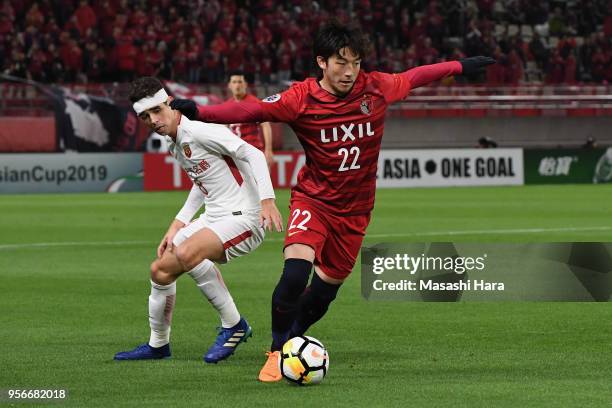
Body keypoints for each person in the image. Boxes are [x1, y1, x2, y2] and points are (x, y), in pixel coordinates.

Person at [171, 21, 495, 381]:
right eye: (341, 62)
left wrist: (459, 66)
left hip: (356, 212)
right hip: (315, 201)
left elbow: (415, 76)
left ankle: (293, 338)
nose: (349, 71)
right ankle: (277, 351)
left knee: (322, 296)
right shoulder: (301, 99)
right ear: (321, 62)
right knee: (295, 274)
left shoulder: (375, 88)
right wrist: (201, 112)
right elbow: (252, 111)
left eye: (355, 62)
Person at [114, 77, 283, 363]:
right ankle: (158, 345)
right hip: (215, 217)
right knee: (160, 270)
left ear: (169, 102)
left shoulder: (199, 130)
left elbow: (252, 153)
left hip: (245, 217)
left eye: (156, 111)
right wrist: (178, 223)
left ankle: (233, 326)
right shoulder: (175, 141)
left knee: (187, 252)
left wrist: (267, 200)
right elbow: (201, 181)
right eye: (145, 116)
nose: (153, 120)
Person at [226, 71, 275, 168]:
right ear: (229, 85)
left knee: (258, 182)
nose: (237, 85)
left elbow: (265, 125)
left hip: (254, 151)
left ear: (245, 84)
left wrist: (268, 150)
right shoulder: (227, 105)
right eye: (234, 82)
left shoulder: (254, 103)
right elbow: (223, 129)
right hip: (235, 153)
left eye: (240, 82)